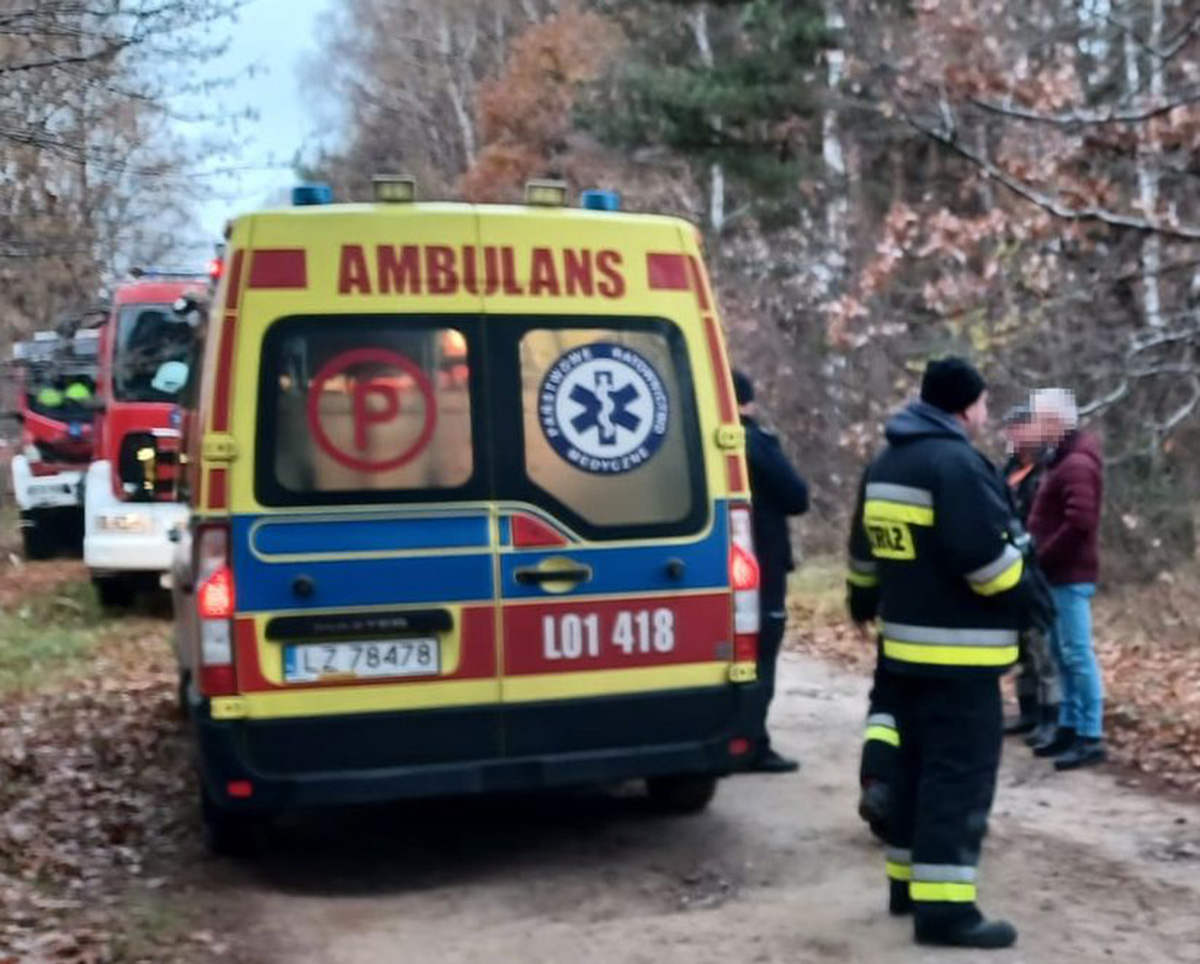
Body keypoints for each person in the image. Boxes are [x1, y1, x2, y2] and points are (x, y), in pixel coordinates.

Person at [846, 357, 1052, 950]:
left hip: (904, 651)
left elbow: (864, 552)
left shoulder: (887, 462)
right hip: (960, 661)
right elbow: (984, 563)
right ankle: (947, 912)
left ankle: (905, 885)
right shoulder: (955, 463)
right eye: (984, 404)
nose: (986, 415)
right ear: (965, 406)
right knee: (956, 779)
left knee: (910, 769)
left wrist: (862, 600)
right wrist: (1030, 594)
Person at [734, 370, 809, 774]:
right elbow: (796, 496)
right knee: (759, 655)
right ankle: (752, 743)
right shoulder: (754, 443)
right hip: (759, 564)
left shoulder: (696, 441)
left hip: (711, 570)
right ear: (747, 402)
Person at [1027, 388, 1106, 771]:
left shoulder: (1075, 464)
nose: (1035, 426)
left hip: (1069, 575)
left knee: (1076, 654)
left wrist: (1042, 557)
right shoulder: (1060, 460)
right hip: (1056, 575)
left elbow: (1080, 522)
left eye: (1040, 418)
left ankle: (1090, 735)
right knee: (1061, 654)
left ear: (1057, 420)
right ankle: (1070, 726)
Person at [1000, 405, 1060, 746]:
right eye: (1011, 429)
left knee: (1043, 647)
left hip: (1040, 568)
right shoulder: (1007, 469)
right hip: (1010, 566)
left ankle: (1051, 717)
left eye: (1021, 428)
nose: (1014, 436)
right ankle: (1028, 711)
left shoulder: (1048, 469)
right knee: (1020, 646)